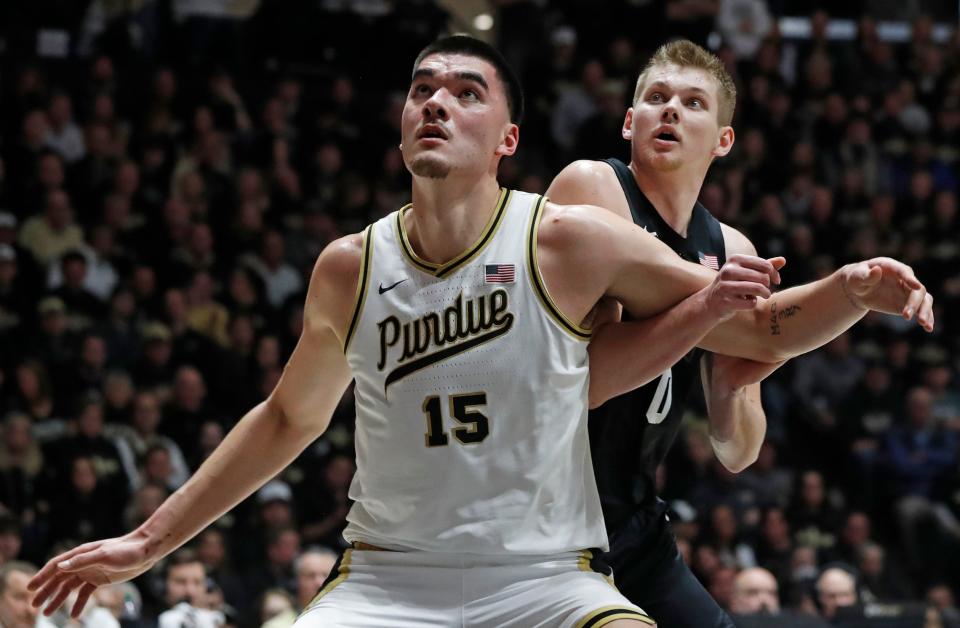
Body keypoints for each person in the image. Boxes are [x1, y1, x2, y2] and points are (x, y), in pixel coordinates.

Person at [30, 35, 930, 627]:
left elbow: (761, 340)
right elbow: (285, 418)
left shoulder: (572, 237)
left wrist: (850, 287)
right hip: (387, 574)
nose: (435, 103)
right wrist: (146, 542)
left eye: (465, 92)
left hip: (551, 569)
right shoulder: (354, 263)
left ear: (506, 137)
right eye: (421, 90)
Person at [546, 39, 933, 628]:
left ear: (724, 140)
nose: (670, 109)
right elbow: (589, 380)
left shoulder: (731, 249)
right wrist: (787, 314)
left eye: (694, 102)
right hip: (545, 519)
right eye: (656, 98)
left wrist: (733, 380)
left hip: (632, 520)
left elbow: (738, 451)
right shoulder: (593, 188)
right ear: (629, 122)